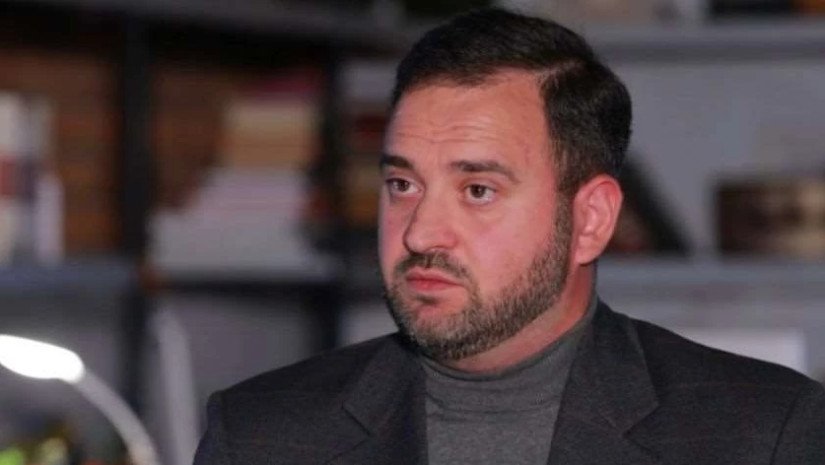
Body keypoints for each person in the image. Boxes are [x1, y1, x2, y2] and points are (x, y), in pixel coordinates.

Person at [193, 8, 825, 465]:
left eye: (477, 190)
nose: (420, 233)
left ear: (591, 221)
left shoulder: (762, 435)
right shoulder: (259, 436)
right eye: (403, 185)